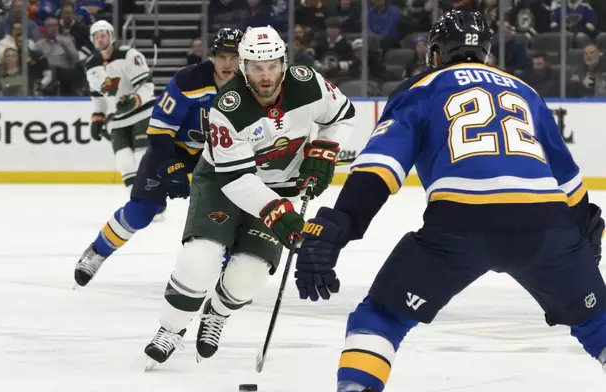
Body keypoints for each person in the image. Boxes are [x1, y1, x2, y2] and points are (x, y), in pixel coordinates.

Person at [295, 10, 606, 392]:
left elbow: (380, 169)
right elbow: (571, 182)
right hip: (545, 222)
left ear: (437, 53)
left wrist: (339, 226)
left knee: (381, 317)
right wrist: (581, 240)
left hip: (461, 223)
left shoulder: (421, 88)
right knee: (599, 322)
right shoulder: (525, 90)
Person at [143, 25, 356, 369]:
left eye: (272, 65)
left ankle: (217, 313)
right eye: (257, 67)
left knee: (250, 273)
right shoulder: (228, 107)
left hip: (280, 186)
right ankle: (171, 328)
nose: (266, 75)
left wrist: (324, 151)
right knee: (201, 259)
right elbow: (238, 180)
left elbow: (343, 116)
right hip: (222, 183)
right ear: (243, 67)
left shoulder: (308, 83)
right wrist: (278, 212)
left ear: (284, 63)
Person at [74, 28, 244, 287]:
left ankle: (224, 273)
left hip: (216, 159)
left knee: (223, 214)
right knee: (141, 211)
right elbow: (159, 130)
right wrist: (173, 168)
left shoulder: (252, 86)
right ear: (212, 56)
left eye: (235, 57)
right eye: (222, 57)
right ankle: (97, 252)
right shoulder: (189, 80)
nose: (228, 64)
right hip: (171, 149)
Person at [85, 20, 155, 191]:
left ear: (112, 36)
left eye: (103, 35)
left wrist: (134, 99)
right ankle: (137, 202)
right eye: (96, 37)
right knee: (124, 161)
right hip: (117, 118)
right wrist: (98, 118)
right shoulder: (91, 65)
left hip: (142, 113)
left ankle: (155, 199)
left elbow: (147, 85)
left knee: (142, 156)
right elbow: (99, 98)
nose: (100, 39)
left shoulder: (129, 55)